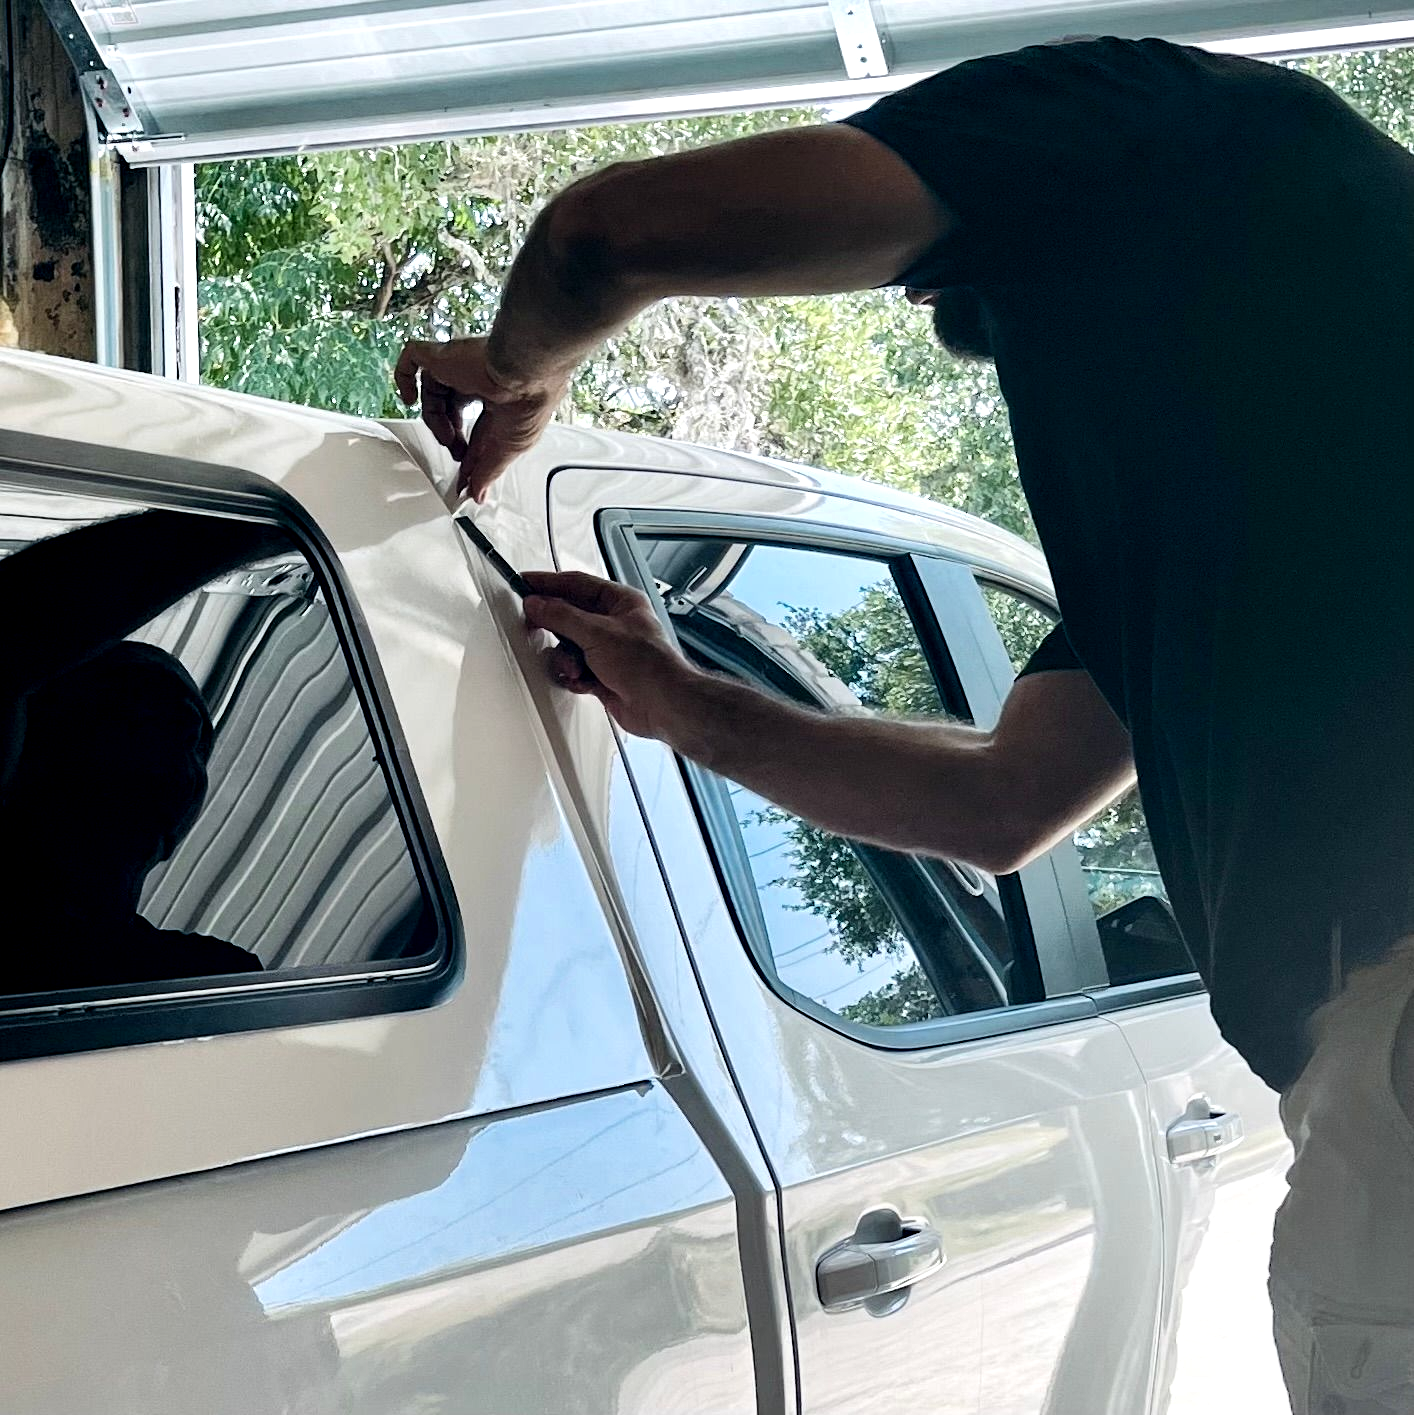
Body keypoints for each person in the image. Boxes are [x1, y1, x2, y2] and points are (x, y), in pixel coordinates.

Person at [394, 35, 1414, 1412]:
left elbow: (604, 232)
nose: (923, 293)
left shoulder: (1163, 119)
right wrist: (685, 700)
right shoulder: (1246, 478)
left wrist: (520, 373)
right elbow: (1001, 802)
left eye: (929, 251)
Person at [0, 508, 286, 992]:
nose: (180, 765)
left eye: (194, 742)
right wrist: (279, 514)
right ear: (30, 747)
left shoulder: (210, 981)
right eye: (135, 721)